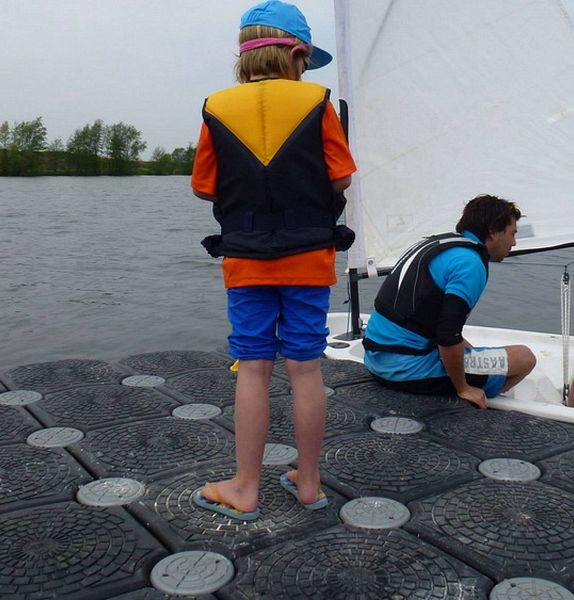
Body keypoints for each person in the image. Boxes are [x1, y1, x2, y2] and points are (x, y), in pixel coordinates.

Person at [189, 0, 357, 520]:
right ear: (298, 55)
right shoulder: (318, 102)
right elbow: (341, 177)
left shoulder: (216, 107)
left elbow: (203, 187)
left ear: (244, 56)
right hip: (308, 259)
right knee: (305, 369)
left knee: (253, 367)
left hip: (246, 261)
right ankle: (308, 482)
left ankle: (245, 487)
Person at [362, 194, 536, 409]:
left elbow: (435, 326)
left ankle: (480, 383)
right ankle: (483, 398)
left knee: (466, 347)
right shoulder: (470, 263)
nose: (514, 242)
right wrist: (463, 387)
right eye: (512, 233)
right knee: (525, 358)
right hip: (406, 369)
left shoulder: (437, 245)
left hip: (375, 359)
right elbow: (447, 336)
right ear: (493, 231)